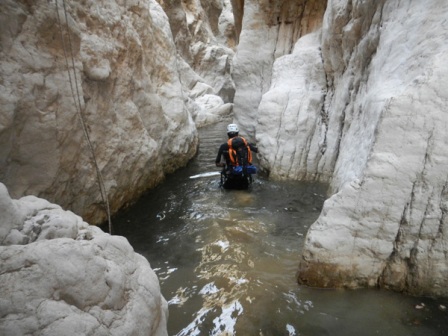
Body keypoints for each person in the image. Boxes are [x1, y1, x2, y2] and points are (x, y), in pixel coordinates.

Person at [215, 123, 258, 189]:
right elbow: (257, 150)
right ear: (237, 133)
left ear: (228, 134)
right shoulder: (246, 144)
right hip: (244, 177)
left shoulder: (223, 146)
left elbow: (217, 163)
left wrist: (223, 165)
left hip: (231, 177)